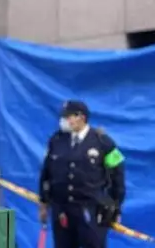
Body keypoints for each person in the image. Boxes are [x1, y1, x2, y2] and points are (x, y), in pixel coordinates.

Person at [38, 100, 126, 248]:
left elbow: (118, 175)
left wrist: (115, 206)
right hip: (62, 209)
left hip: (91, 210)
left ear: (81, 117)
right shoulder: (56, 140)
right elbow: (46, 172)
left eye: (68, 117)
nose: (64, 121)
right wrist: (43, 202)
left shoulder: (103, 142)